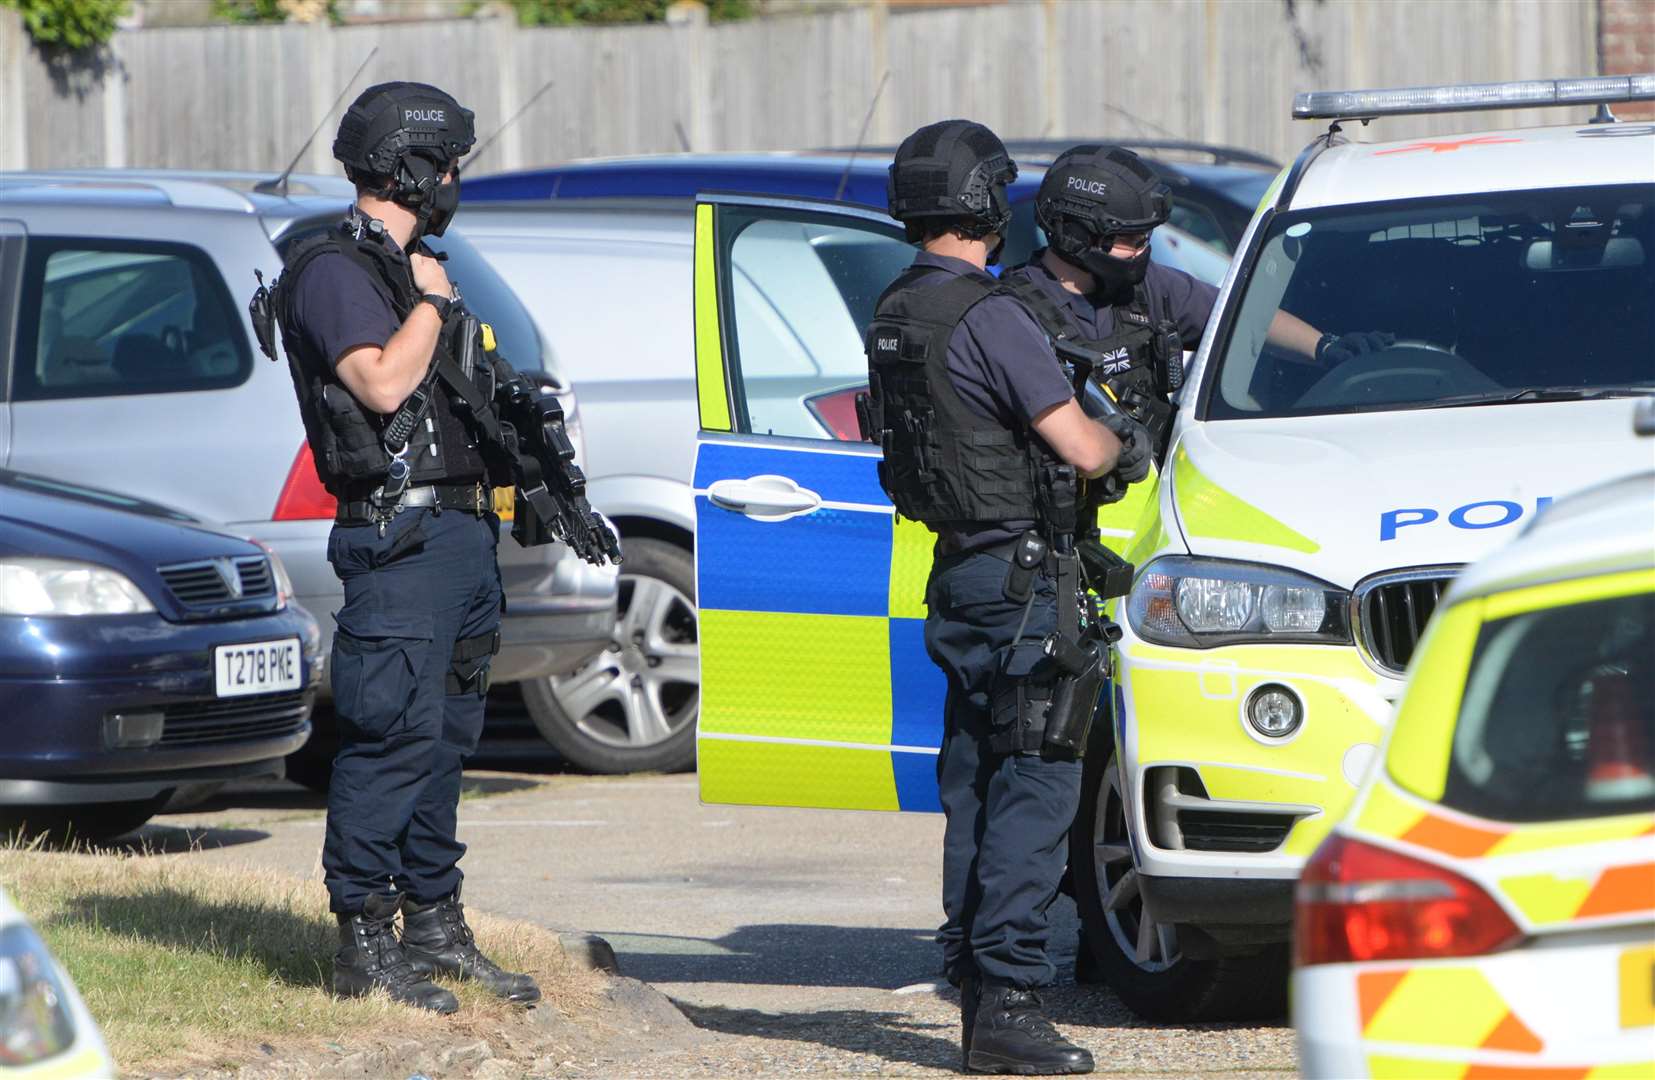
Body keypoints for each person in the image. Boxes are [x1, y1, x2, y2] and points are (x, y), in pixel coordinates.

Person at [862, 119, 1154, 1076]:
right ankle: (1010, 1005)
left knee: (977, 781)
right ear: (988, 201)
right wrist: (1129, 443)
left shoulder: (898, 306)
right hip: (1029, 581)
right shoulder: (989, 315)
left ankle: (973, 974)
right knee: (1034, 788)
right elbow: (1079, 445)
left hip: (959, 574)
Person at [267, 81, 539, 1013]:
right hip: (397, 536)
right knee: (389, 738)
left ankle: (433, 924)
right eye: (451, 163)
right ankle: (363, 943)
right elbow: (380, 386)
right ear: (414, 165)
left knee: (446, 737)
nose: (457, 179)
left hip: (458, 532)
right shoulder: (334, 269)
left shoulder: (413, 262)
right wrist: (430, 305)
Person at [1001, 144, 1388, 458]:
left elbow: (1244, 321)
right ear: (1075, 236)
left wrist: (1327, 348)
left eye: (1148, 238)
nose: (1144, 251)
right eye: (1132, 241)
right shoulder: (1009, 314)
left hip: (1156, 505)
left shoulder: (1149, 288)